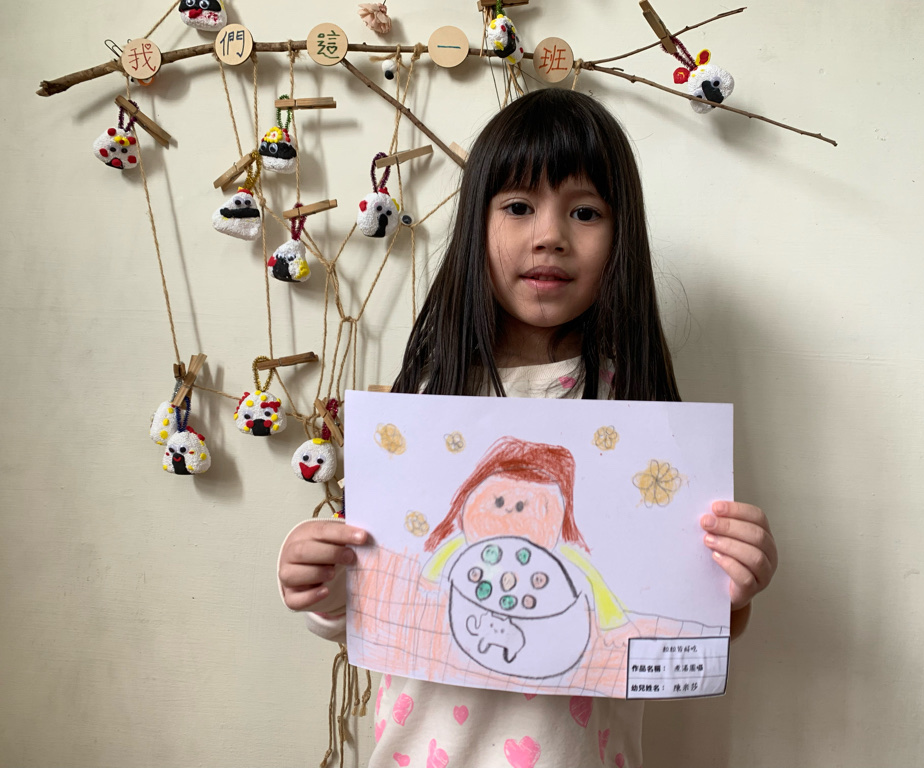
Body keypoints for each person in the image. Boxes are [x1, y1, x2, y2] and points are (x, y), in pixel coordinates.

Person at [278, 88, 778, 768]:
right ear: (476, 225)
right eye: (518, 206)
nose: (550, 235)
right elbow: (374, 600)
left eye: (585, 211)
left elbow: (682, 620)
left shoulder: (636, 416)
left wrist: (735, 583)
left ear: (621, 236)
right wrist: (318, 581)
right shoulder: (421, 407)